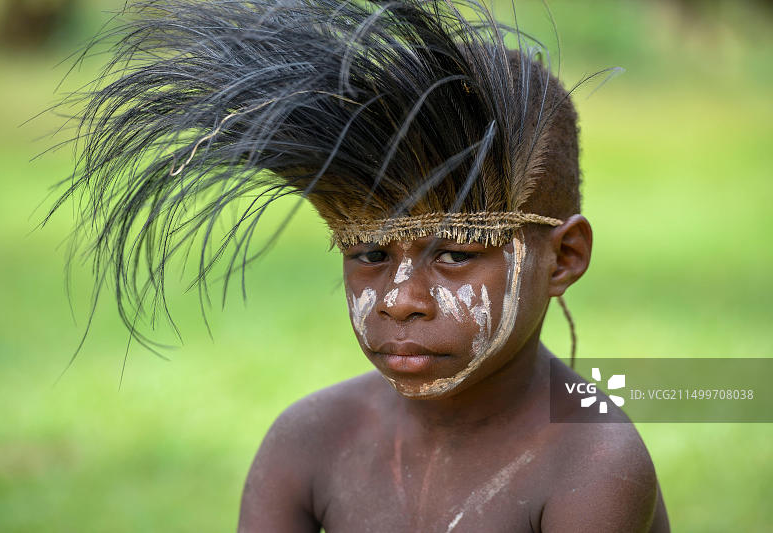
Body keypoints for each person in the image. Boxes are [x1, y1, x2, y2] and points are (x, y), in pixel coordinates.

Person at [50, 0, 669, 530]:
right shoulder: (311, 440)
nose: (398, 299)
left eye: (456, 254)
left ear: (564, 257)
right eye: (369, 254)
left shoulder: (592, 462)